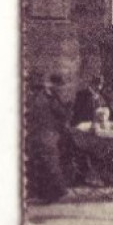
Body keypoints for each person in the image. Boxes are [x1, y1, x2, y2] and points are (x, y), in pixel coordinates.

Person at [25, 71, 69, 204]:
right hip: (45, 132)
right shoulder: (48, 97)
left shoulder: (44, 96)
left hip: (44, 132)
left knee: (46, 161)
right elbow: (61, 113)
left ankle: (51, 193)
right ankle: (49, 193)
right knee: (46, 161)